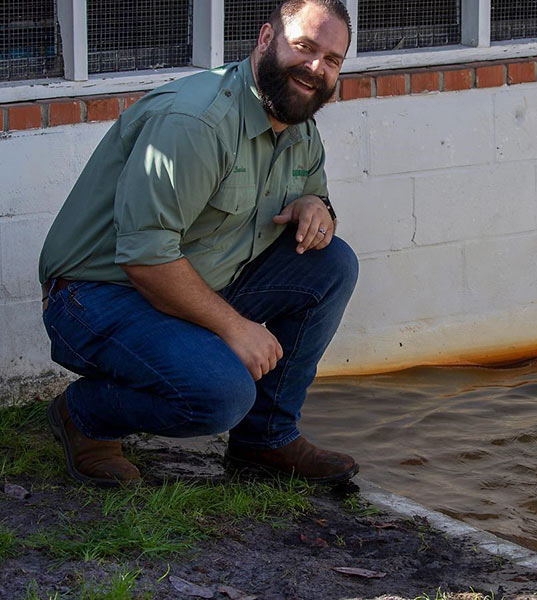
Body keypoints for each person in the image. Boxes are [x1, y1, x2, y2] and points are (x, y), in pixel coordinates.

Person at [38, 0, 359, 487]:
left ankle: (265, 441)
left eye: (332, 59)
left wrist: (318, 206)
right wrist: (236, 328)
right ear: (267, 40)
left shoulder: (298, 126)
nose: (316, 68)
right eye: (305, 47)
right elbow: (146, 258)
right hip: (96, 296)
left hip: (193, 282)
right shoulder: (196, 123)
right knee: (221, 395)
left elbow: (313, 190)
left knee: (331, 264)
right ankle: (82, 416)